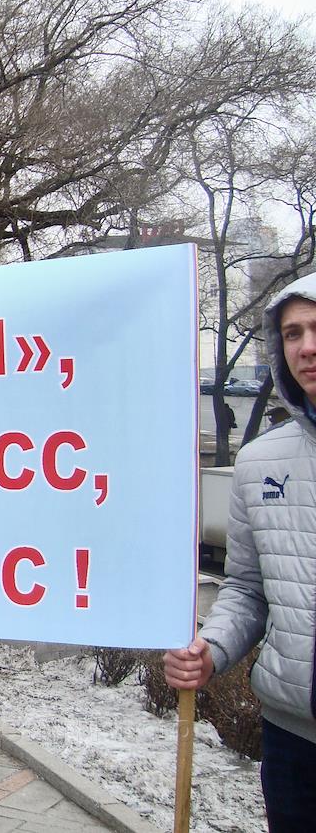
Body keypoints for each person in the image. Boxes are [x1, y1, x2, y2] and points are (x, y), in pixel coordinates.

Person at [164, 274, 316, 832]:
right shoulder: (260, 461)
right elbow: (248, 587)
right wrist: (213, 648)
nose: (307, 347)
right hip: (294, 741)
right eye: (293, 333)